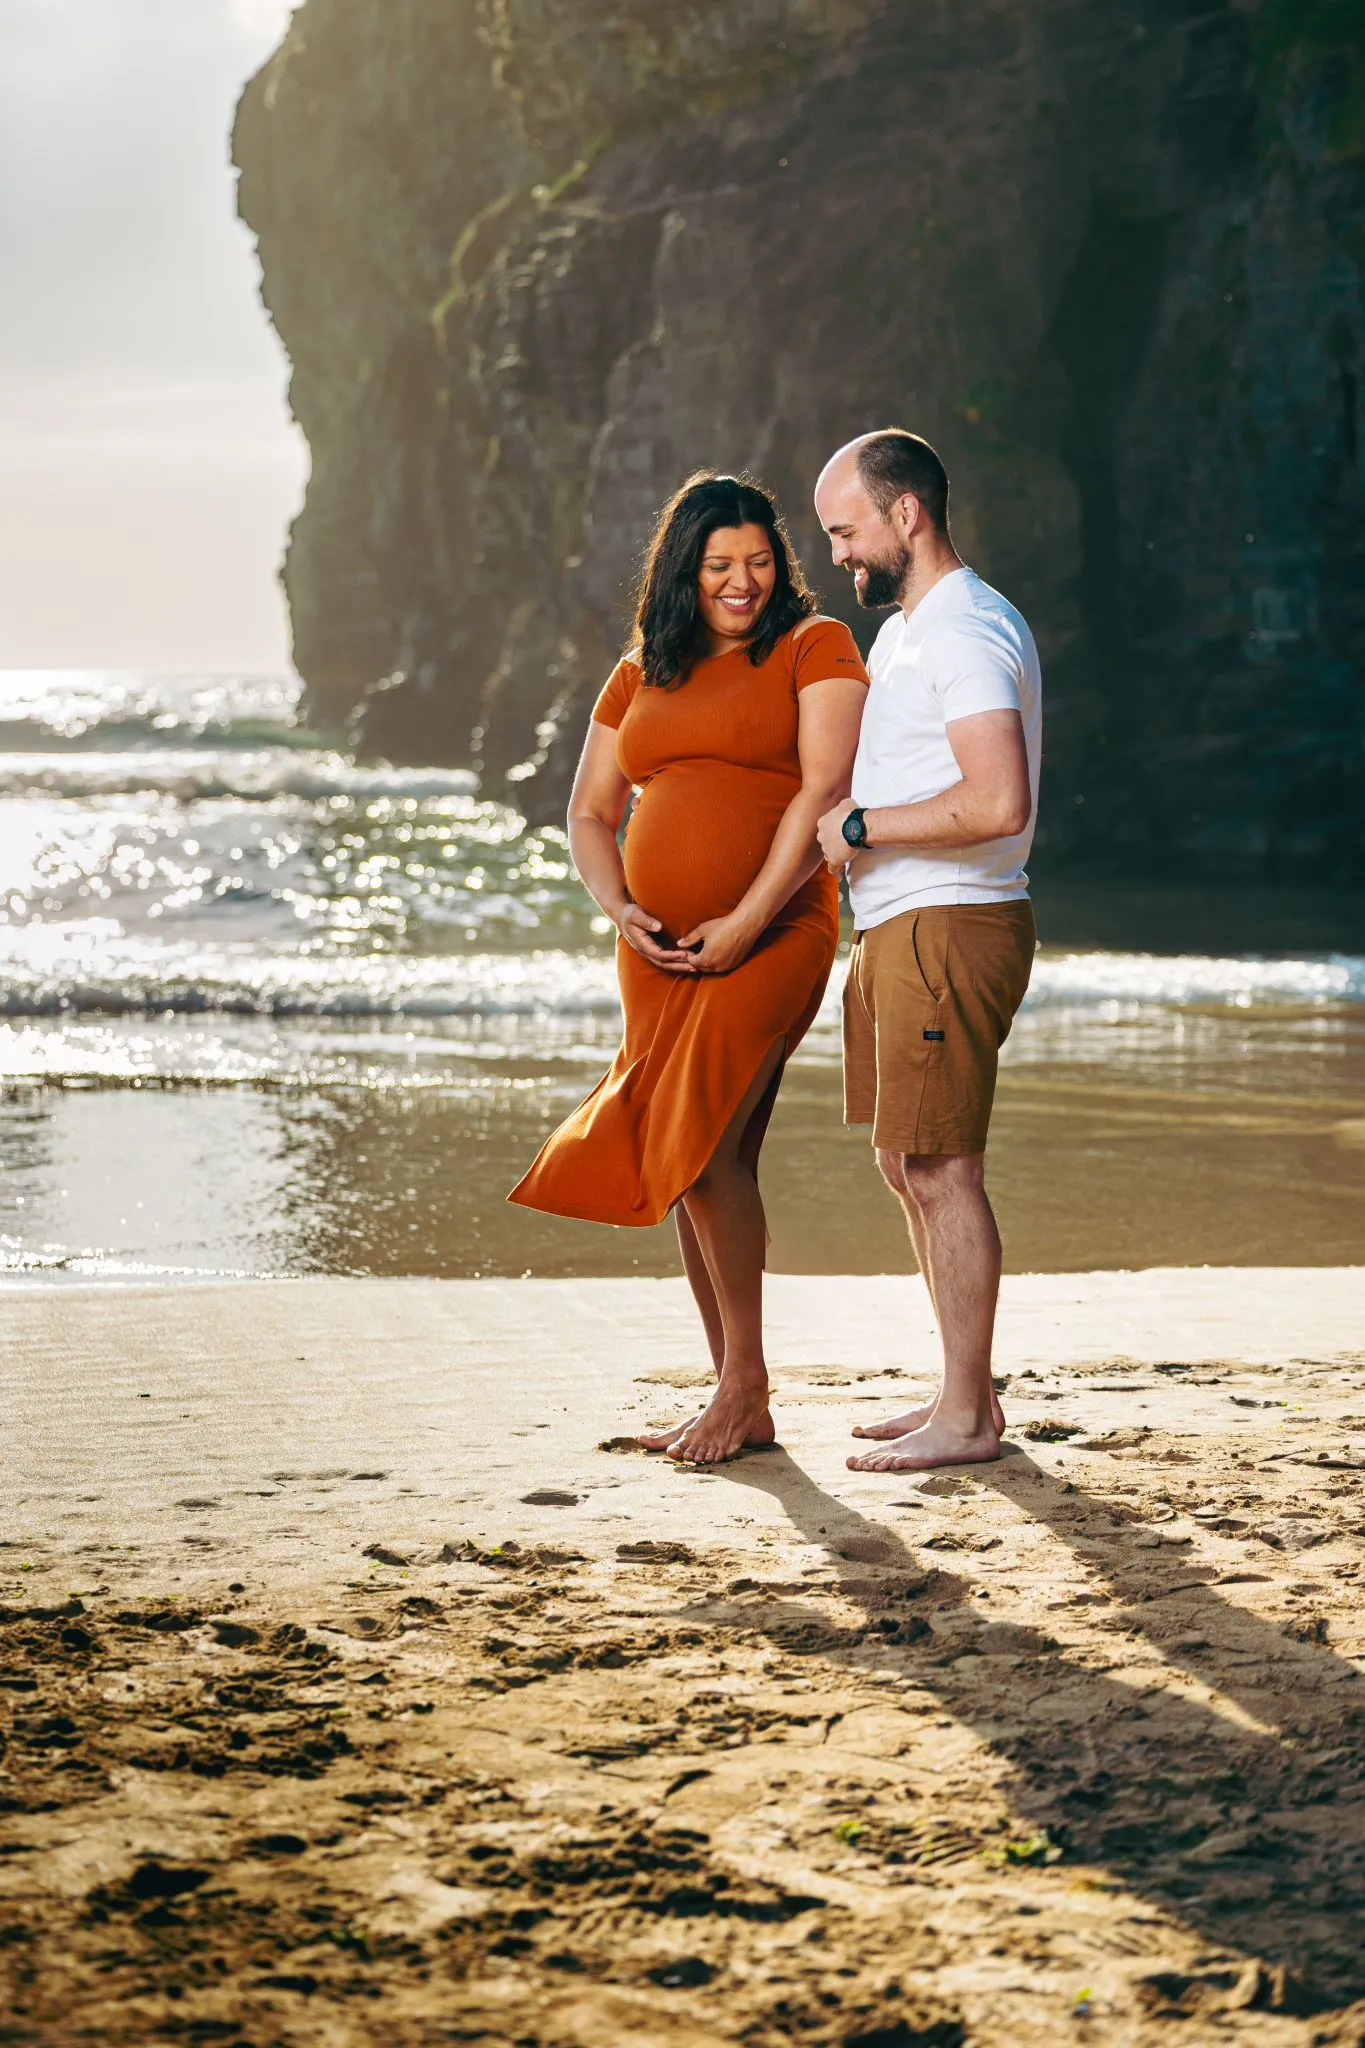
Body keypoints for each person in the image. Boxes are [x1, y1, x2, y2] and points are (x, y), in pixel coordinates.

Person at [509, 472, 870, 1463]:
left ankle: (744, 1384)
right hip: (659, 948)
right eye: (719, 565)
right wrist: (619, 905)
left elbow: (824, 794)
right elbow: (589, 811)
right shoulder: (641, 671)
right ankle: (734, 1392)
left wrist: (749, 919)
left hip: (777, 927)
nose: (742, 581)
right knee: (689, 1154)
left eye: (758, 561)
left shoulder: (814, 646)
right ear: (686, 568)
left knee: (705, 1146)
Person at [813, 429, 1041, 1473]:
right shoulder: (906, 631)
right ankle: (962, 1394)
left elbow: (997, 801)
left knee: (943, 1165)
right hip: (905, 925)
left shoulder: (964, 629)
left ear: (907, 514)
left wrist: (862, 828)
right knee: (907, 1159)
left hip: (951, 920)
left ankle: (968, 1418)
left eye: (847, 529)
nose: (839, 555)